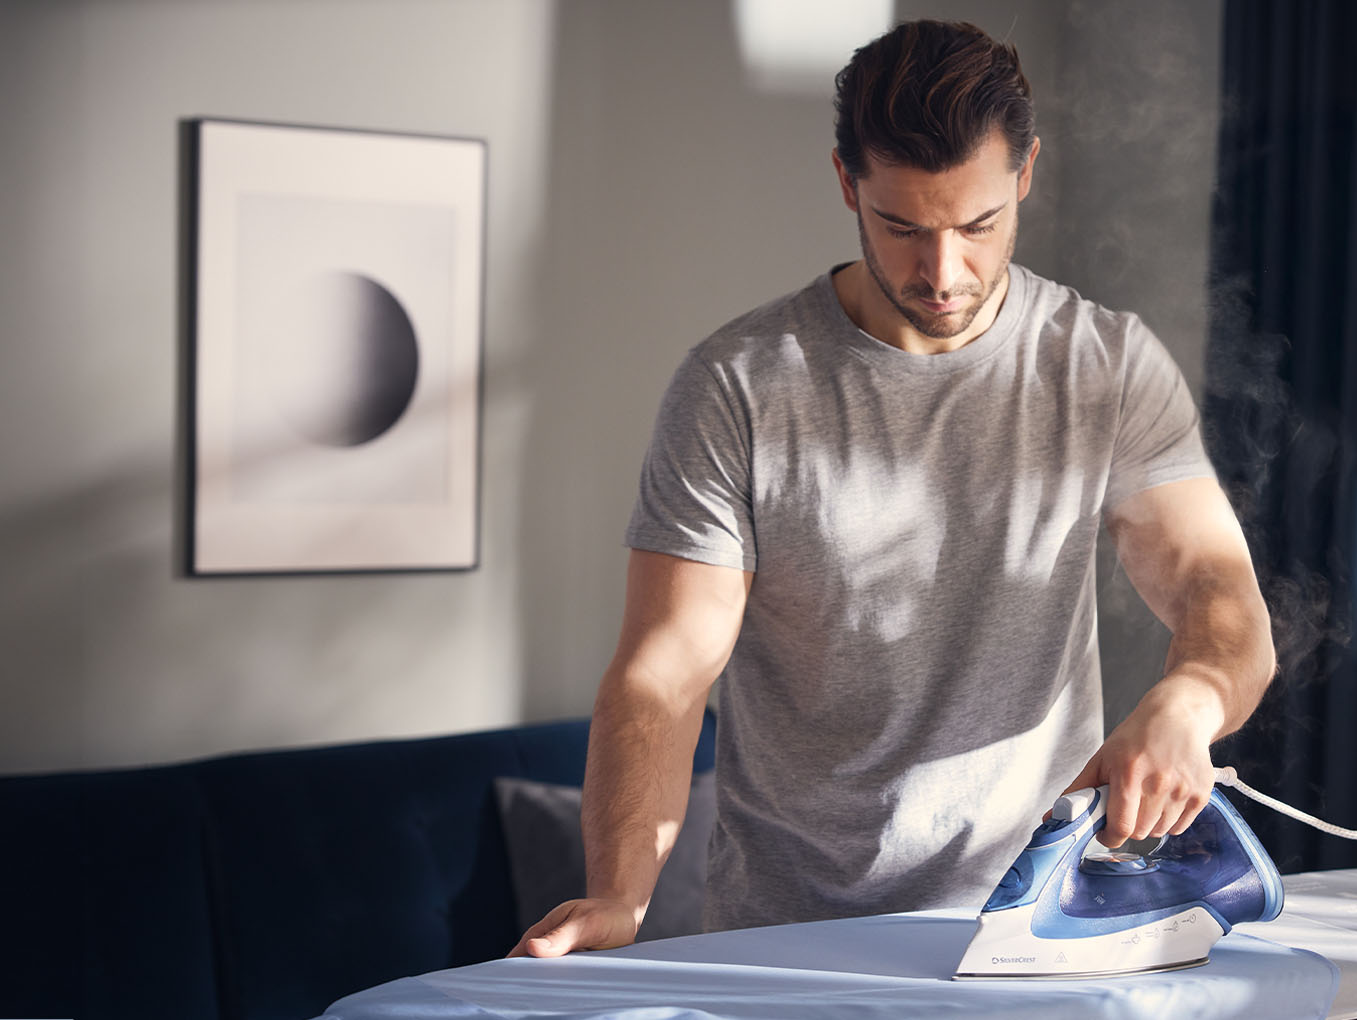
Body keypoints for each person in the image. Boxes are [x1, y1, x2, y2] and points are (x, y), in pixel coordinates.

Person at [509, 19, 1274, 958]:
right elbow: (664, 672)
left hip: (1030, 940)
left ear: (1025, 172)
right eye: (902, 226)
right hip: (791, 942)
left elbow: (1219, 597)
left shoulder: (1105, 366)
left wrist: (1187, 702)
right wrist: (619, 894)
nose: (943, 272)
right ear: (846, 184)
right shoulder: (737, 386)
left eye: (978, 225)